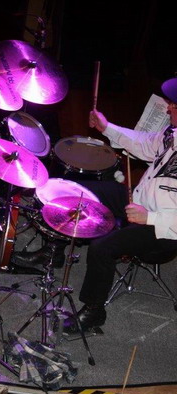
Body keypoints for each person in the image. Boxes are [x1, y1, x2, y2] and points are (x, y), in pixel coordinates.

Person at [63, 77, 177, 332]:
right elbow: (145, 144)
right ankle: (55, 251)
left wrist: (149, 218)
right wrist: (106, 128)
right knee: (78, 192)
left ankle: (94, 311)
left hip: (164, 230)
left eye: (174, 105)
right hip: (139, 202)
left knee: (102, 247)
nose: (168, 108)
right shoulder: (173, 133)